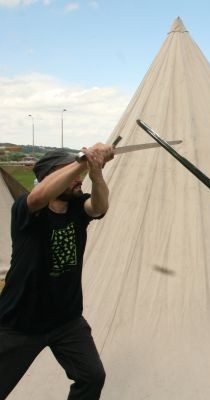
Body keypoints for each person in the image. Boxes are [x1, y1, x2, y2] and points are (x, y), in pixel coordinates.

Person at [0, 144, 114, 399]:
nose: (78, 179)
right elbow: (39, 196)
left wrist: (96, 174)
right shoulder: (27, 210)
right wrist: (83, 162)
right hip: (21, 322)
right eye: (70, 173)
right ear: (51, 177)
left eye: (79, 173)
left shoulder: (77, 207)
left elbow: (99, 207)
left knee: (92, 377)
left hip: (66, 319)